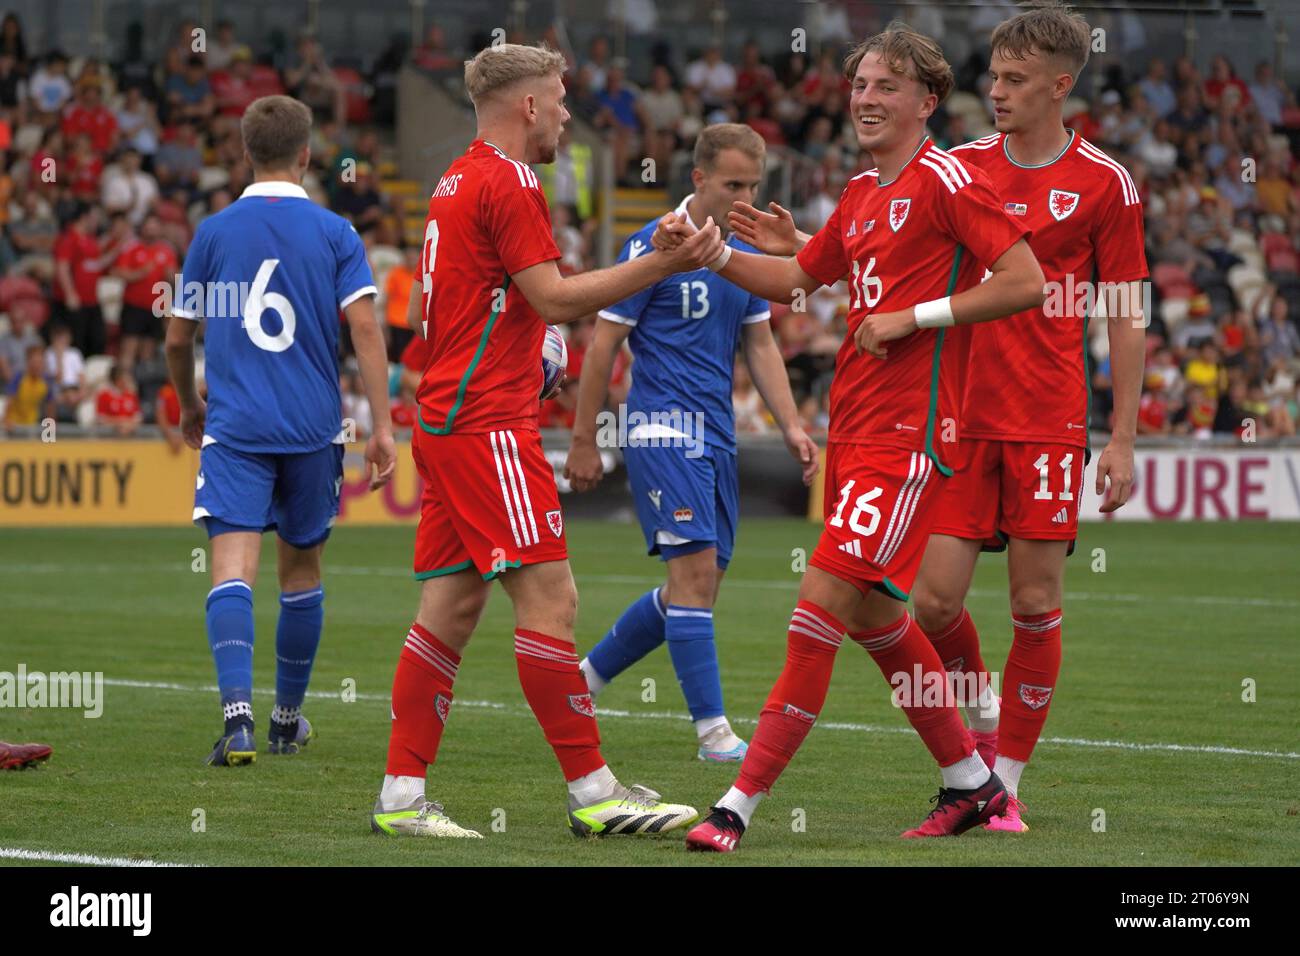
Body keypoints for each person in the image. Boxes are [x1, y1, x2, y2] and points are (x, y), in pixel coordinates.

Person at [662, 22, 1045, 852]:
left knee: (821, 606)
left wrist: (915, 315)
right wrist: (713, 254)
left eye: (884, 87)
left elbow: (1026, 281)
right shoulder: (866, 191)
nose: (865, 100)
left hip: (911, 437)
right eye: (859, 86)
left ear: (927, 100)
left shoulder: (949, 179)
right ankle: (971, 782)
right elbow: (798, 278)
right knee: (877, 617)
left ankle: (737, 804)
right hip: (859, 432)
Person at [373, 42, 724, 839]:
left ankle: (400, 797)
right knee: (552, 601)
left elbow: (504, 303)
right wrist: (661, 262)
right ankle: (595, 794)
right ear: (529, 105)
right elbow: (558, 298)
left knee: (451, 609)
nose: (570, 114)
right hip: (487, 421)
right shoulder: (511, 177)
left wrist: (528, 338)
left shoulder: (456, 177)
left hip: (450, 413)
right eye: (562, 99)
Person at [564, 122, 818, 763]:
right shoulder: (654, 247)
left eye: (754, 186)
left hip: (718, 437)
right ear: (699, 178)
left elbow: (759, 343)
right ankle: (712, 733)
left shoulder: (740, 252)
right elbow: (602, 347)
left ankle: (581, 684)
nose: (745, 197)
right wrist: (588, 439)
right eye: (733, 184)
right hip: (660, 429)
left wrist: (789, 424)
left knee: (693, 589)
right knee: (695, 575)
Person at [164, 95, 396, 767]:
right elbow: (364, 330)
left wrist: (188, 404)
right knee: (302, 569)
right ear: (306, 154)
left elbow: (179, 339)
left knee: (232, 568)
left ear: (244, 153)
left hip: (235, 426)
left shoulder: (213, 233)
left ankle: (235, 722)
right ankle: (284, 722)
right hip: (312, 428)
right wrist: (382, 427)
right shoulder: (335, 233)